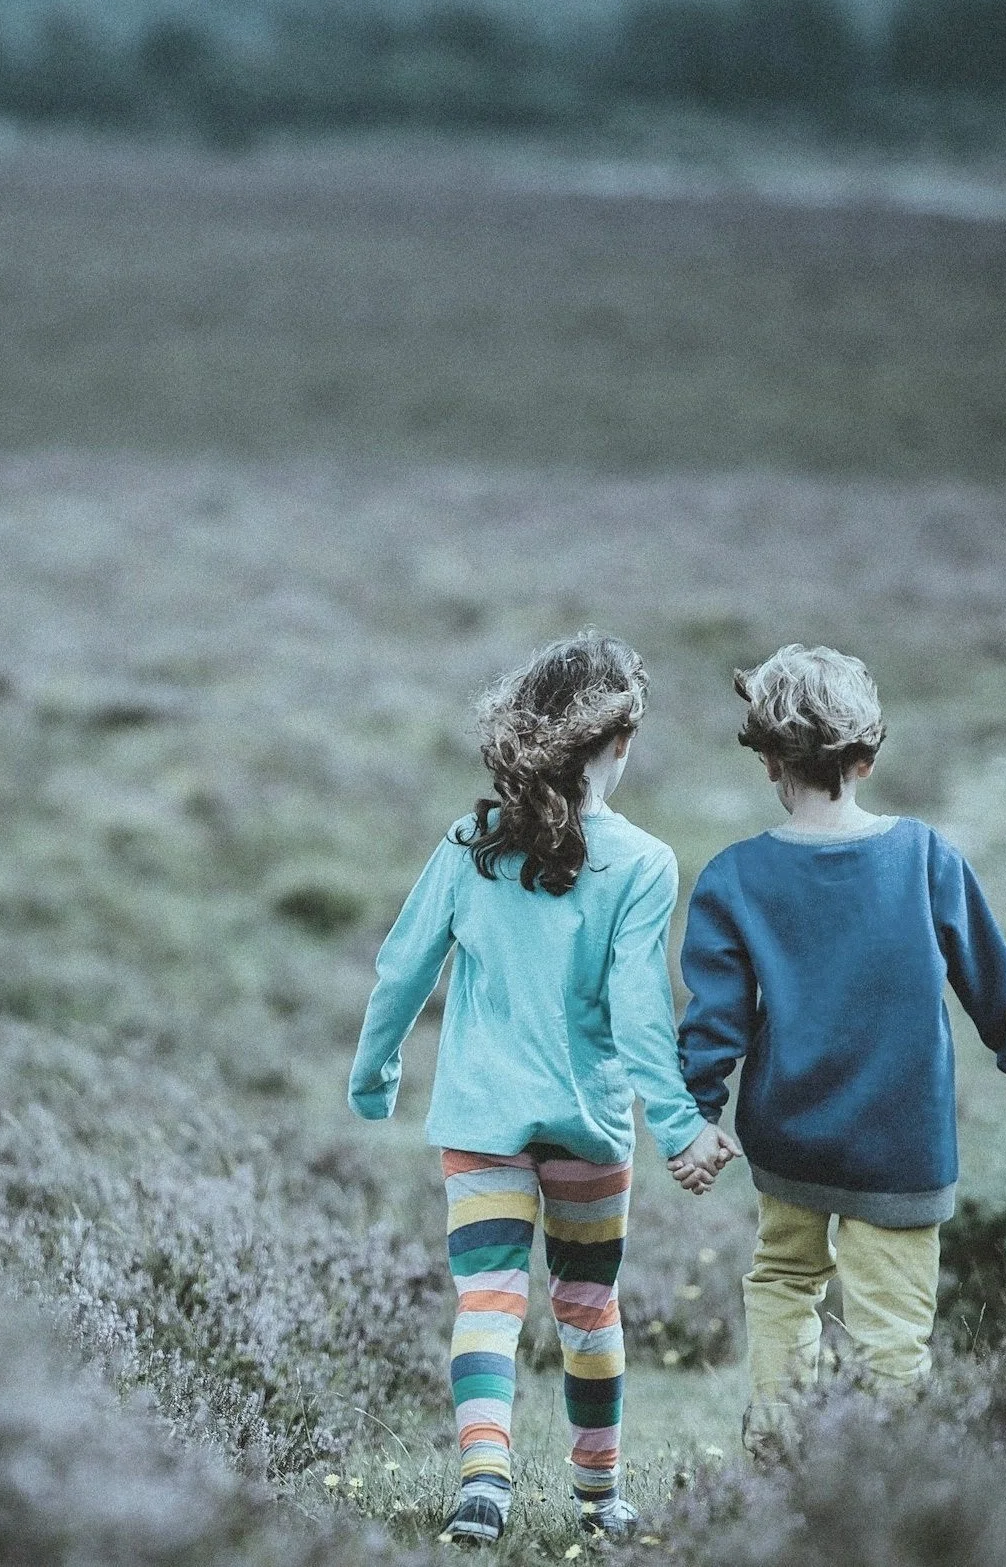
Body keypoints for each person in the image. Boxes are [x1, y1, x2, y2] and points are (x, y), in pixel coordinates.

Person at [348, 631, 736, 1548]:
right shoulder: (642, 861)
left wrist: (376, 1073)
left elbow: (403, 967)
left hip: (479, 1120)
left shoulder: (470, 841)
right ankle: (600, 1498)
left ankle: (483, 1484)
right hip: (590, 1125)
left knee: (487, 1299)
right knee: (588, 1306)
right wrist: (678, 1127)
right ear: (621, 741)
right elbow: (642, 1014)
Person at [677, 644, 1006, 1451]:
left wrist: (698, 1111)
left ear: (769, 761)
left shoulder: (734, 877)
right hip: (903, 1143)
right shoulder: (927, 858)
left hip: (788, 1138)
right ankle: (885, 1477)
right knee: (893, 1329)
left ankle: (777, 1453)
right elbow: (992, 980)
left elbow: (714, 1018)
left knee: (784, 1280)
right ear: (865, 757)